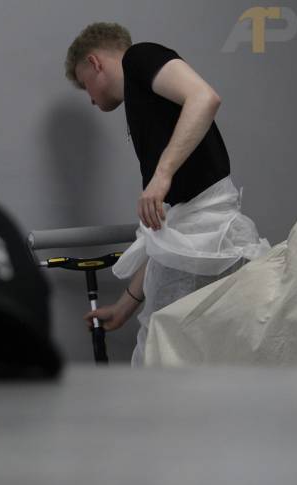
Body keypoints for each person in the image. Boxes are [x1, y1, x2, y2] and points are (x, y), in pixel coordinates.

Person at [65, 22, 270, 365]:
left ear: (95, 62)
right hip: (209, 240)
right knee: (191, 358)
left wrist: (161, 175)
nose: (90, 98)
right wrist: (124, 307)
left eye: (86, 84)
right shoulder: (145, 105)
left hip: (213, 240)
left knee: (171, 359)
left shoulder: (139, 57)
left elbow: (204, 97)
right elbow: (172, 234)